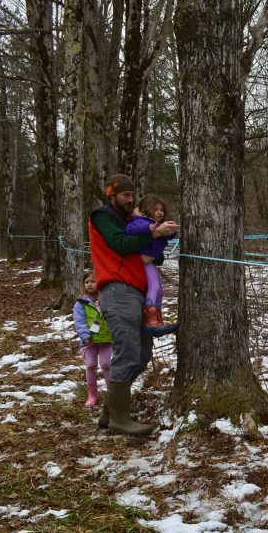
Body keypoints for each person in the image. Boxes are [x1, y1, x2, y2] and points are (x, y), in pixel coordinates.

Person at [88, 174, 179, 436]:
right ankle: (120, 419)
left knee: (141, 354)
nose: (130, 200)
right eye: (125, 195)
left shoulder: (133, 220)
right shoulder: (102, 216)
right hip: (117, 290)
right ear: (112, 195)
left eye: (132, 195)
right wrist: (152, 231)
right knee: (128, 349)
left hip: (137, 291)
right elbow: (120, 243)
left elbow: (147, 252)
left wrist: (159, 237)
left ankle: (110, 412)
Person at [125, 194, 176, 329]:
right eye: (156, 209)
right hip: (144, 261)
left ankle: (156, 317)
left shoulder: (156, 224)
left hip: (151, 261)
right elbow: (130, 229)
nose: (160, 212)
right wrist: (149, 229)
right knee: (154, 286)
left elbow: (168, 236)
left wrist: (170, 229)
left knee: (159, 288)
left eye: (162, 210)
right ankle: (150, 317)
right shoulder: (141, 221)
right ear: (147, 209)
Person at [73, 270, 113, 408]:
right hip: (88, 341)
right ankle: (92, 394)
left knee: (107, 364)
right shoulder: (80, 303)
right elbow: (79, 321)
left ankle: (111, 394)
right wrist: (85, 337)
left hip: (106, 339)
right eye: (87, 282)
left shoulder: (106, 300)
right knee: (90, 365)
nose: (90, 284)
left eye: (93, 281)